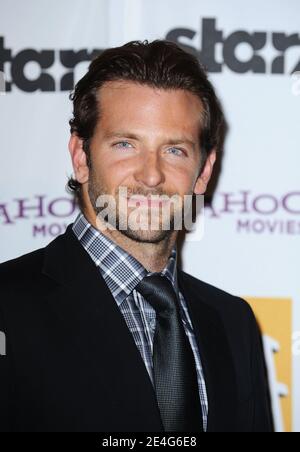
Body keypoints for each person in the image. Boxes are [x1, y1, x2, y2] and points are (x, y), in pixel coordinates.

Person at [0, 40, 272, 432]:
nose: (151, 175)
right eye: (126, 144)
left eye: (175, 150)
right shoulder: (8, 308)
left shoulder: (234, 323)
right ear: (81, 156)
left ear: (205, 170)